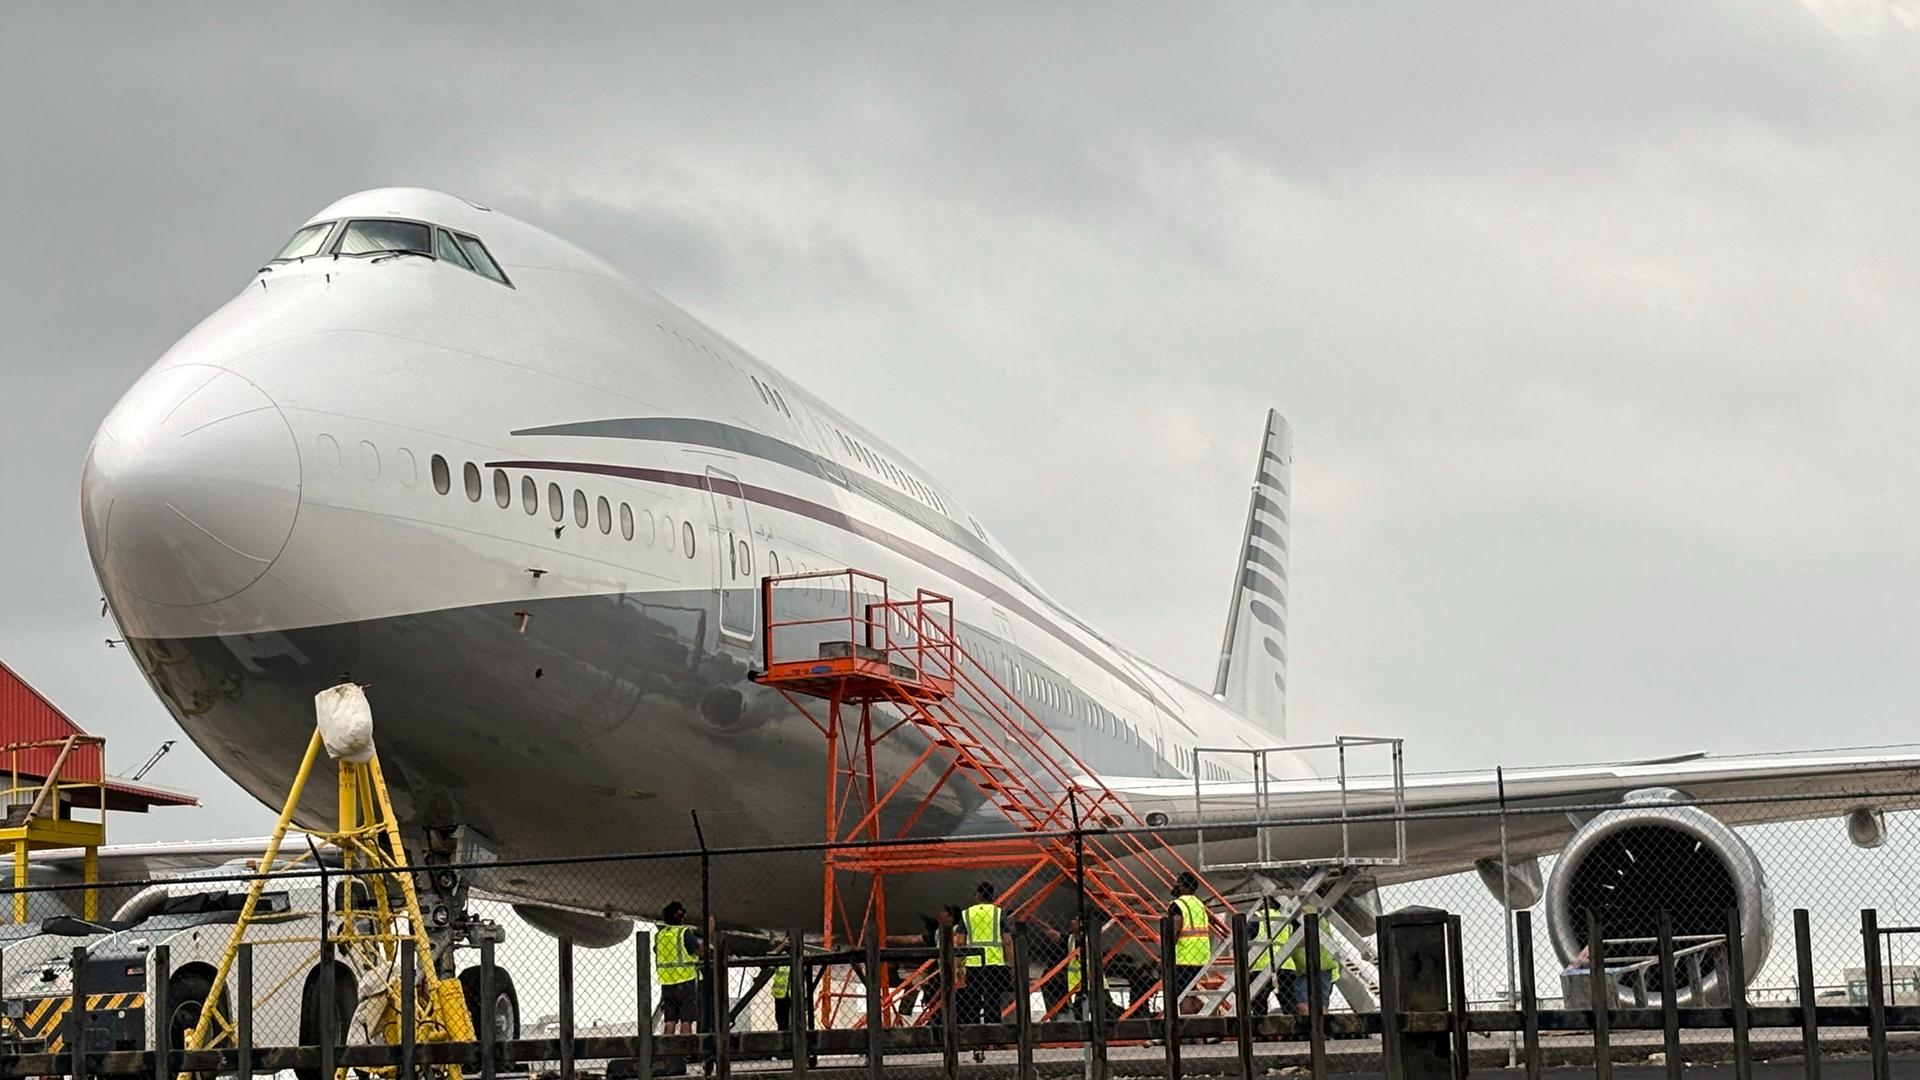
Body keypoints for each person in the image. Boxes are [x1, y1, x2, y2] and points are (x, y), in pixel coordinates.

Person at [958, 881, 1012, 1062]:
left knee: (972, 1001)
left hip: (974, 964)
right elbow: (1007, 941)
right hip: (994, 963)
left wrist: (958, 966)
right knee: (992, 1000)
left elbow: (960, 942)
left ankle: (975, 1040)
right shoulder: (998, 913)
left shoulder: (967, 914)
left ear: (978, 895)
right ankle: (994, 1037)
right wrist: (1011, 964)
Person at [656, 901, 706, 1038]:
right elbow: (700, 952)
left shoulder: (660, 936)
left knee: (670, 1020)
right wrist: (708, 935)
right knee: (686, 1020)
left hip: (667, 983)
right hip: (686, 982)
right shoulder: (684, 933)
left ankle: (666, 1052)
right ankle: (686, 1051)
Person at [1282, 906, 1340, 1017]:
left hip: (1309, 965)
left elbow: (1304, 939)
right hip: (1322, 964)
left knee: (1304, 1004)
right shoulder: (1316, 911)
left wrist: (1286, 947)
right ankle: (1321, 1029)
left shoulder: (1299, 914)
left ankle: (1310, 1029)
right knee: (1321, 1004)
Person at [1168, 872, 1211, 1015]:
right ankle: (1204, 1021)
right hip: (1200, 956)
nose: (1175, 886)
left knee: (1182, 996)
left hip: (1183, 958)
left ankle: (1188, 1030)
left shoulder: (1177, 905)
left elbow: (1175, 929)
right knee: (1192, 992)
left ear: (1183, 886)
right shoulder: (1200, 904)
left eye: (1177, 882)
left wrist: (1167, 951)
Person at [1247, 895, 1297, 1016]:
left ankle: (1261, 1031)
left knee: (1258, 1005)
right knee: (1289, 1005)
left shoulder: (1258, 917)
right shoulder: (1286, 919)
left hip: (1261, 966)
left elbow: (1246, 939)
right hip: (1285, 965)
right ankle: (1297, 1031)